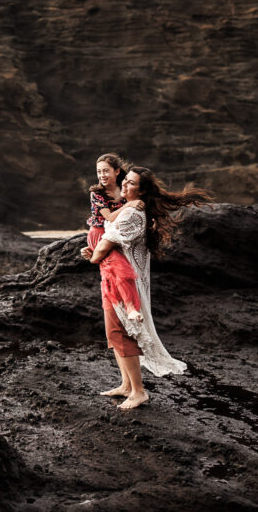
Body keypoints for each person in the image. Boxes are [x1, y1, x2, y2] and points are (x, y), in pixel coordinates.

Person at [81, 166, 212, 410]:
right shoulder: (126, 210)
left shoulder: (133, 214)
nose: (124, 186)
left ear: (141, 191)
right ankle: (126, 385)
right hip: (111, 278)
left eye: (130, 183)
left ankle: (139, 391)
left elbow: (105, 246)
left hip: (125, 283)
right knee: (113, 333)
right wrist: (94, 252)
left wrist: (93, 256)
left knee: (123, 334)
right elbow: (106, 244)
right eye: (125, 181)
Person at [86, 154, 143, 322]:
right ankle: (130, 308)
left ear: (117, 171)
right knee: (119, 266)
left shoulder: (123, 188)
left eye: (106, 171)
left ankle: (126, 312)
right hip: (98, 233)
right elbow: (109, 217)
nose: (102, 175)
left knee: (119, 268)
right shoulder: (97, 193)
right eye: (99, 172)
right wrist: (129, 204)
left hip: (117, 233)